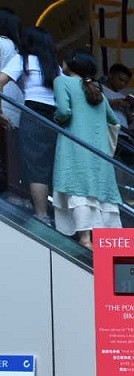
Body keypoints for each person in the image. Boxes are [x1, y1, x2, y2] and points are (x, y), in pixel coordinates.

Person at [51, 49, 121, 250]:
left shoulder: (62, 81)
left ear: (70, 64)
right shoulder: (96, 90)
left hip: (74, 145)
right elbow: (114, 121)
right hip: (99, 153)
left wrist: (57, 119)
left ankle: (85, 239)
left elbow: (63, 111)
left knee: (78, 188)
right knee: (99, 191)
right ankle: (104, 242)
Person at [17, 25, 59, 222]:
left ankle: (41, 215)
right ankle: (58, 215)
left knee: (36, 166)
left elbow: (1, 79)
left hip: (33, 113)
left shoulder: (23, 60)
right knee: (51, 166)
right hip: (55, 118)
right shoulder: (55, 66)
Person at [0, 8, 22, 192]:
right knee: (9, 155)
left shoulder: (1, 43)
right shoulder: (15, 48)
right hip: (14, 105)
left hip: (3, 104)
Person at [100, 63, 134, 128]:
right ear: (110, 75)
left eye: (126, 83)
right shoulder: (98, 88)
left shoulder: (123, 97)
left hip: (123, 132)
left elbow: (128, 121)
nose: (123, 84)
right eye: (121, 80)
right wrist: (112, 103)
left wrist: (132, 111)